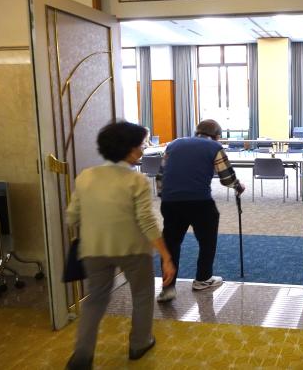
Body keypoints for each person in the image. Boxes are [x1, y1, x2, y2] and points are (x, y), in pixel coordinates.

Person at [65, 121, 175, 370]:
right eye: (140, 145)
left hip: (94, 248)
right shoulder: (136, 181)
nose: (142, 149)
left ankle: (82, 356)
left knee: (95, 300)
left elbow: (71, 216)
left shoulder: (85, 176)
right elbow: (147, 222)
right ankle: (139, 343)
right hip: (133, 250)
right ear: (130, 150)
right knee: (142, 295)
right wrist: (166, 256)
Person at [157, 119, 244, 302]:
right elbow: (226, 178)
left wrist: (166, 196)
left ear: (197, 131)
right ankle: (203, 279)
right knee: (206, 241)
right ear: (217, 136)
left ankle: (168, 288)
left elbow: (161, 175)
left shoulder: (173, 144)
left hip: (171, 202)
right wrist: (238, 186)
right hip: (200, 202)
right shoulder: (214, 147)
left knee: (171, 244)